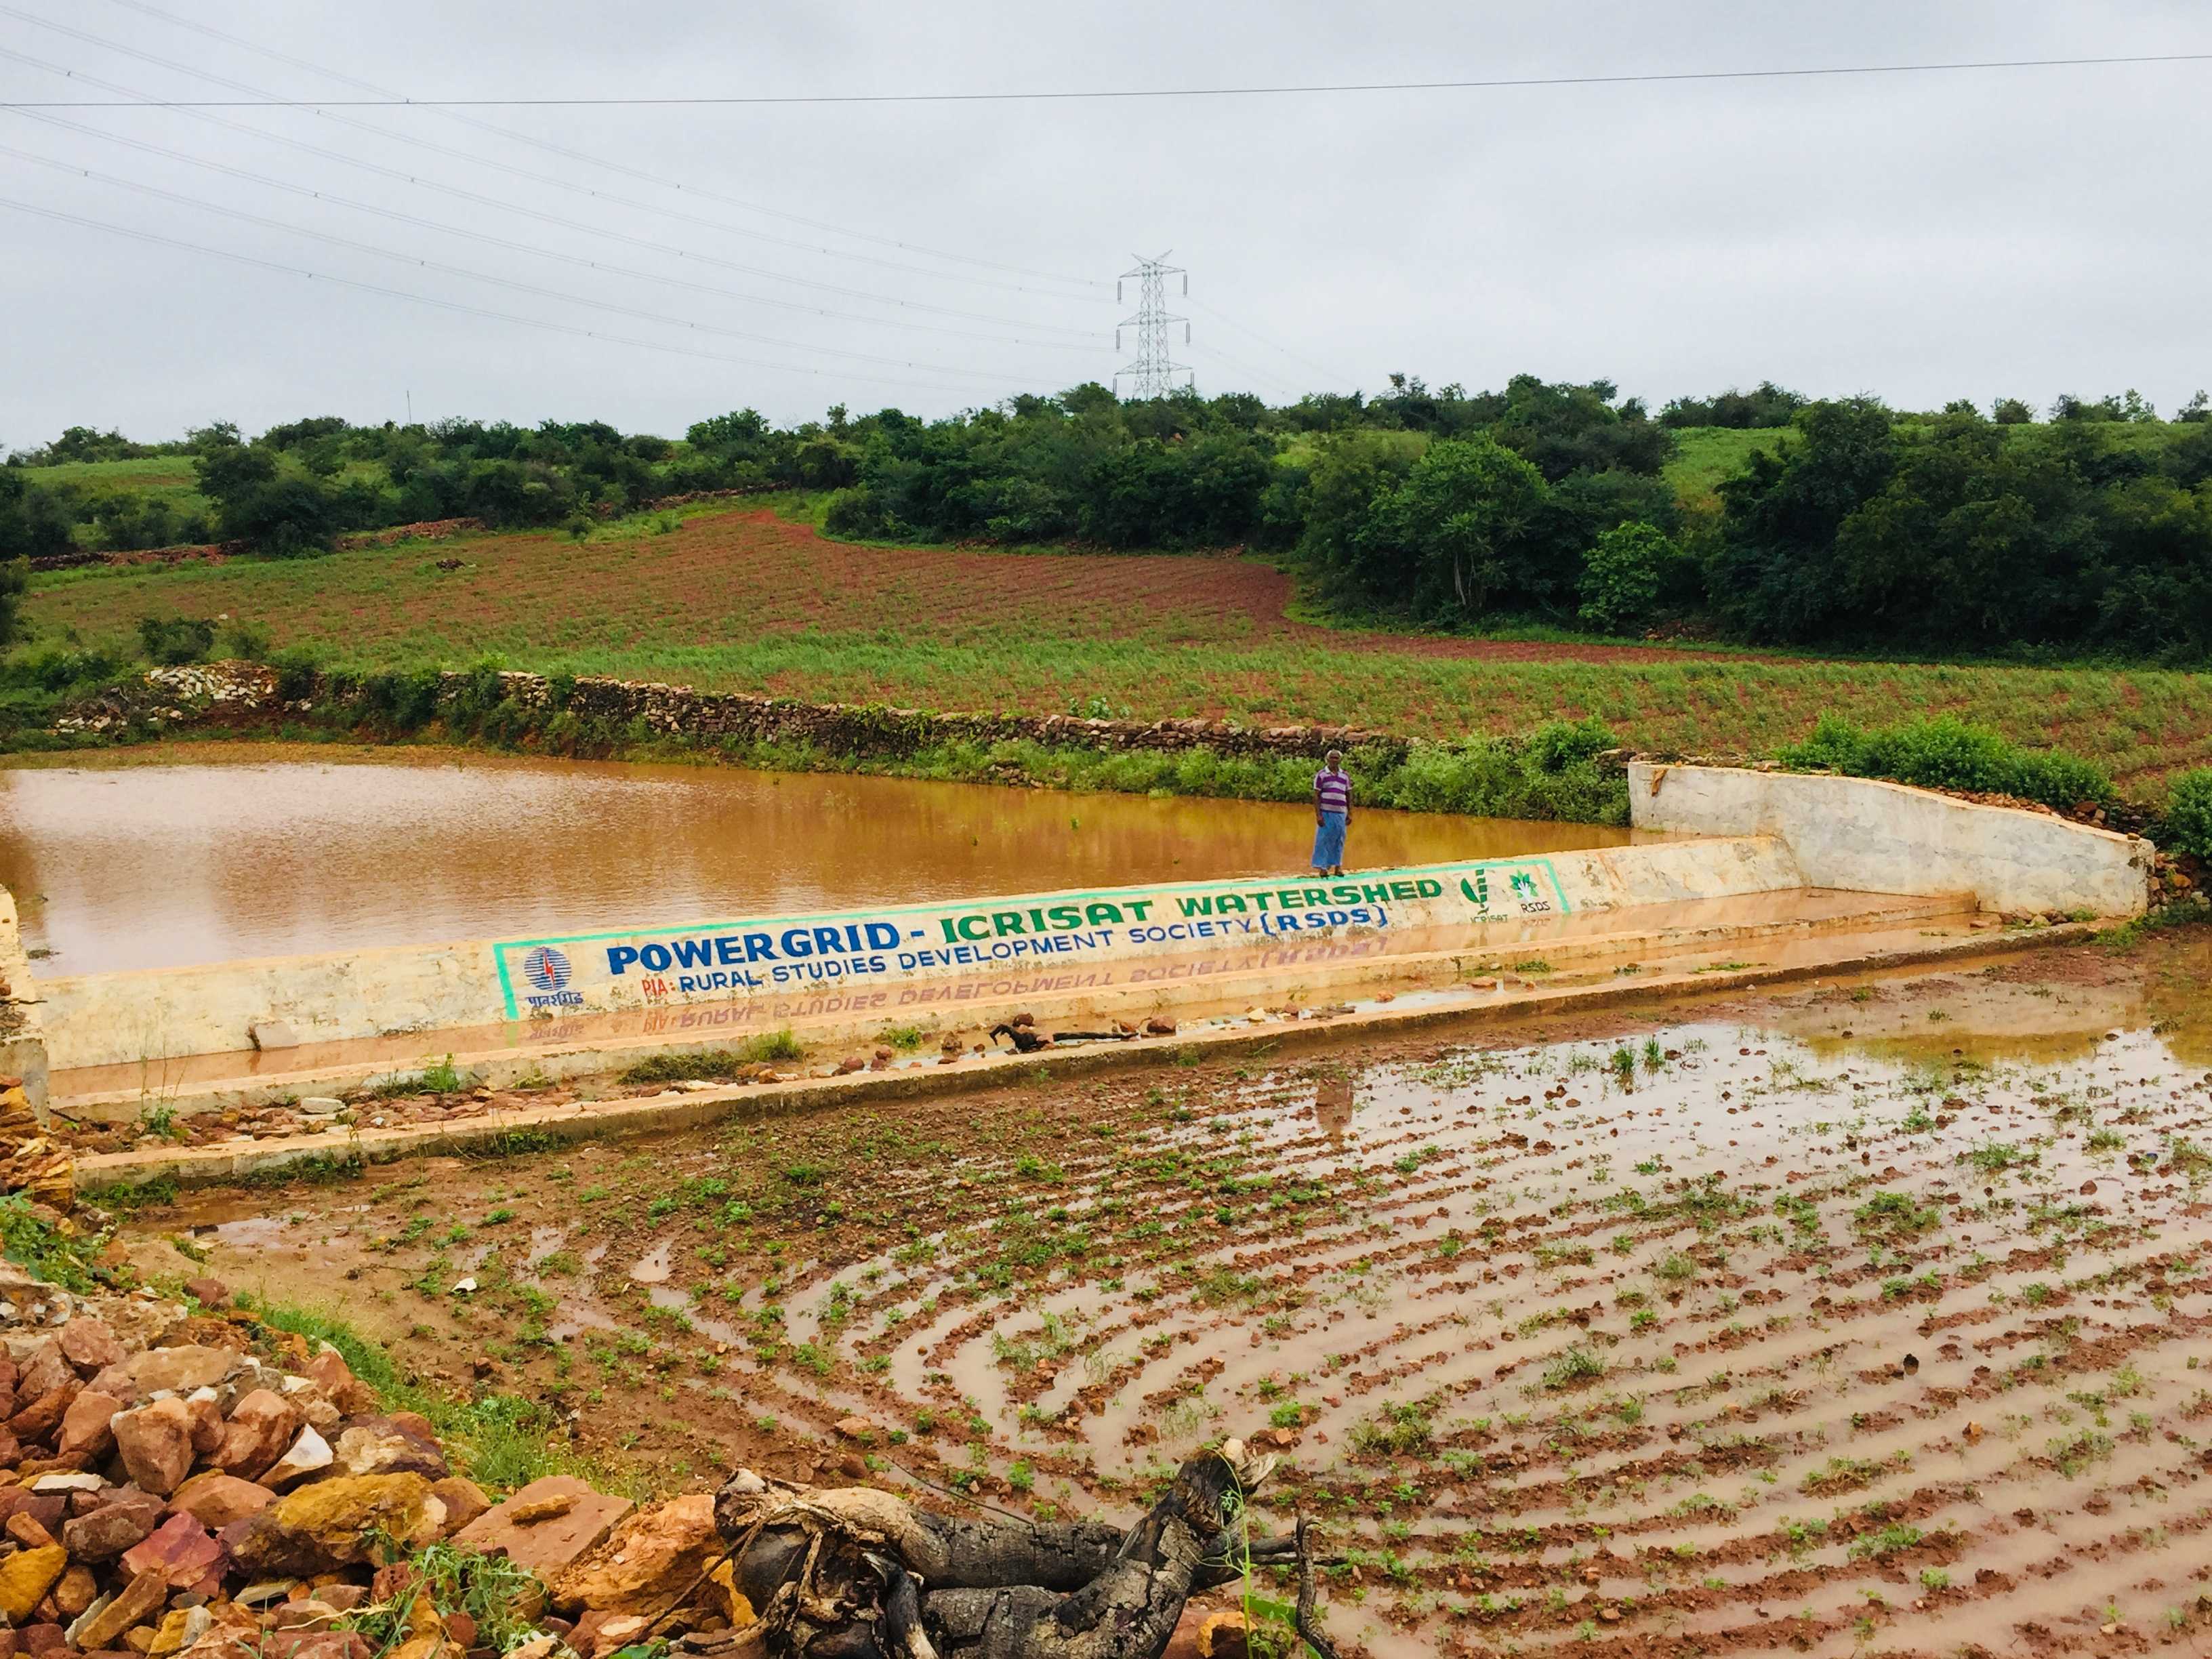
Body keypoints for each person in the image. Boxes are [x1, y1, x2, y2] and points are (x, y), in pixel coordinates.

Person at [1312, 749, 1351, 876]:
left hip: (1340, 813)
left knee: (1339, 839)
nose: (1334, 760)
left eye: (1336, 758)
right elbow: (1316, 795)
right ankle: (1323, 868)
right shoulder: (1321, 775)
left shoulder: (1345, 776)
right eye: (1332, 758)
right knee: (1323, 840)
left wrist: (1350, 813)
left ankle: (1338, 867)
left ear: (1340, 760)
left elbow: (1349, 794)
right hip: (1326, 812)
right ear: (1327, 760)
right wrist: (1318, 815)